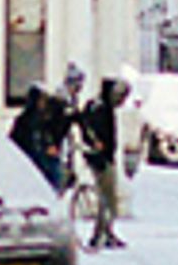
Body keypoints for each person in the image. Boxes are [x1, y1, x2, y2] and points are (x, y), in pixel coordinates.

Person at [82, 72, 133, 248]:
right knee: (107, 198)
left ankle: (105, 231)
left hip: (103, 157)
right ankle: (100, 233)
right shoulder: (100, 109)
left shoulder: (99, 107)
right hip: (101, 160)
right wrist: (97, 146)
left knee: (108, 198)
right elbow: (90, 131)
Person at [10, 83, 74, 191]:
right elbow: (29, 143)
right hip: (34, 165)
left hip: (41, 162)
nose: (43, 103)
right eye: (41, 100)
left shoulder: (43, 118)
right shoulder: (27, 120)